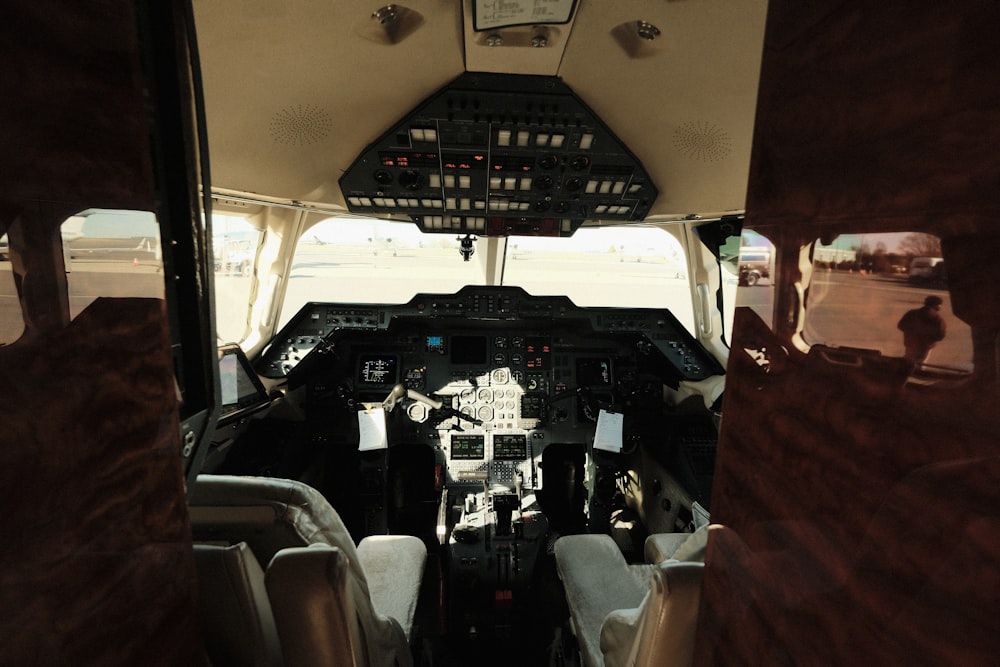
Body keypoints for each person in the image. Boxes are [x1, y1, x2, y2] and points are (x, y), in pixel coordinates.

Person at [897, 295, 946, 365]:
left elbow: (900, 325)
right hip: (925, 346)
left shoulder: (911, 313)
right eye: (939, 305)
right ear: (936, 305)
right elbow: (940, 335)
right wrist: (928, 339)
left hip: (910, 343)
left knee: (907, 362)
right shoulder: (937, 318)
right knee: (920, 365)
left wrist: (910, 333)